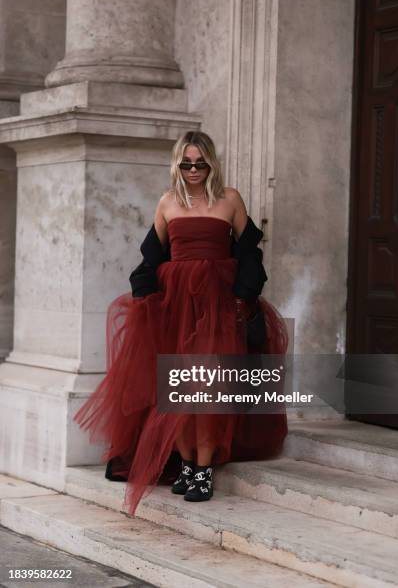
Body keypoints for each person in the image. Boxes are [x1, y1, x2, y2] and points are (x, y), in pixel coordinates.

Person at [73, 131, 288, 515]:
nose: (192, 170)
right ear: (177, 163)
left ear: (211, 163)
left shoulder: (230, 199)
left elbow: (249, 252)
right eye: (186, 163)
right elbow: (152, 257)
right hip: (175, 308)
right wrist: (145, 298)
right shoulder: (168, 202)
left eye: (200, 163)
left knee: (206, 392)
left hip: (218, 308)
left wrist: (243, 295)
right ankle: (188, 464)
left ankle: (204, 470)